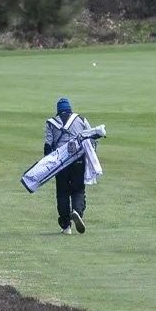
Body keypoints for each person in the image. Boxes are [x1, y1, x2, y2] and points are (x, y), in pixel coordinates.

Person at [43, 96, 91, 232]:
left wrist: (47, 166)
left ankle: (65, 226)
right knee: (78, 189)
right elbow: (91, 138)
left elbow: (48, 146)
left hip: (60, 163)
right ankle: (77, 212)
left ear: (58, 111)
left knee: (62, 192)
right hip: (78, 160)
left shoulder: (51, 123)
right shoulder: (81, 119)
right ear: (70, 109)